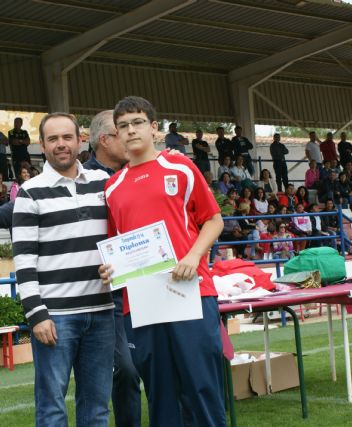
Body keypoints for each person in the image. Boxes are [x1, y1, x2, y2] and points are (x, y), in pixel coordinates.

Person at [101, 96, 226, 427]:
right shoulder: (112, 187)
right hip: (142, 303)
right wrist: (109, 268)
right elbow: (118, 246)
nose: (131, 131)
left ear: (154, 127)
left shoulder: (180, 166)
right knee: (160, 394)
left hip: (191, 292)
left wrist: (192, 255)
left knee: (202, 387)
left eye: (138, 122)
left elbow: (214, 220)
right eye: (123, 126)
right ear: (117, 134)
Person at [12, 112, 115, 426]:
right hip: (56, 317)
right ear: (42, 145)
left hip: (102, 312)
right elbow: (24, 260)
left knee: (97, 407)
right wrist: (37, 314)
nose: (61, 144)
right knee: (52, 407)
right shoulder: (30, 192)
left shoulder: (106, 184)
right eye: (53, 139)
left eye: (67, 137)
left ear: (80, 140)